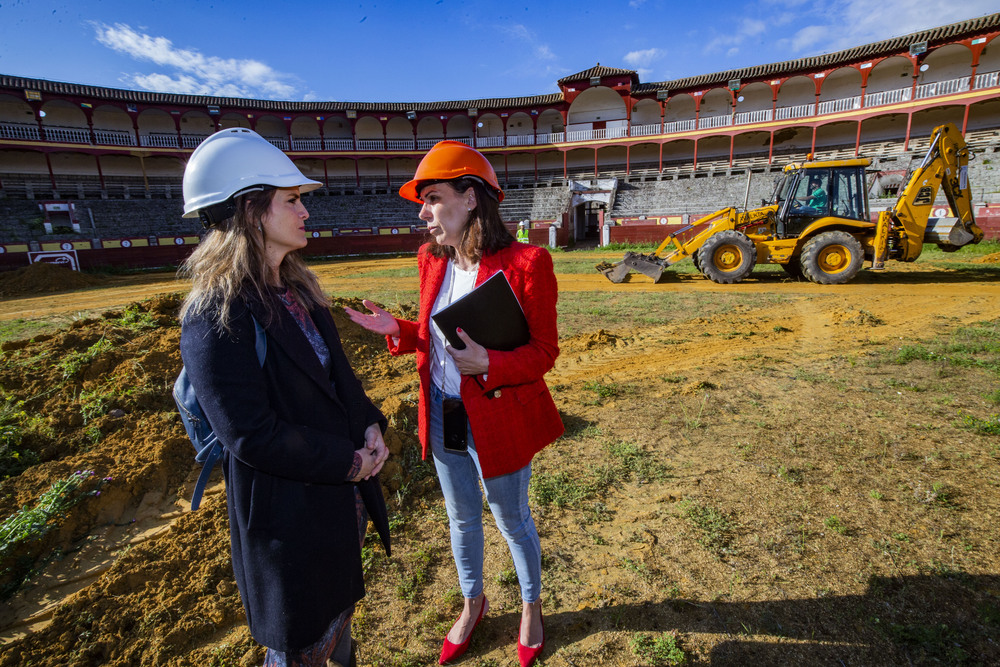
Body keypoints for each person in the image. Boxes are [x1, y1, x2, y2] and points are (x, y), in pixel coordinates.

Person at [178, 127, 390, 667]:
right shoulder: (214, 317)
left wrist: (370, 427)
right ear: (253, 212)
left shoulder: (300, 292)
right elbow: (251, 434)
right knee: (299, 649)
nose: (306, 212)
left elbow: (343, 382)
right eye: (292, 200)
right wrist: (349, 463)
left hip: (335, 508)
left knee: (337, 634)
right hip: (288, 528)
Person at [345, 141, 563, 667]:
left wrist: (489, 361)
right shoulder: (429, 259)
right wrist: (397, 329)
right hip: (442, 412)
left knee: (511, 519)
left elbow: (543, 352)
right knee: (461, 518)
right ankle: (473, 604)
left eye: (433, 198)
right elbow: (434, 335)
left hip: (499, 416)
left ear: (470, 198)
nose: (423, 213)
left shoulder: (528, 262)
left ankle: (531, 608)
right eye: (422, 202)